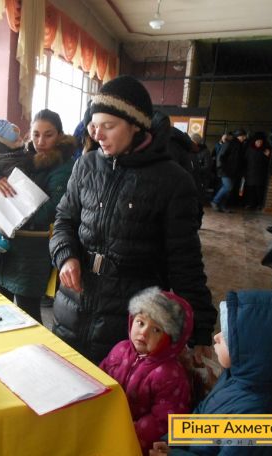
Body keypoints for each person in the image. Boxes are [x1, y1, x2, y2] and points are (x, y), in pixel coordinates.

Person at [49, 75, 216, 365]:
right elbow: (64, 220)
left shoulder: (173, 181)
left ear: (136, 125)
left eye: (109, 126)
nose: (98, 135)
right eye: (94, 126)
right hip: (72, 308)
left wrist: (200, 329)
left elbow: (184, 262)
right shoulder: (86, 165)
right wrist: (66, 256)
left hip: (130, 323)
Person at [150, 289, 272, 456]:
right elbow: (204, 413)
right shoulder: (239, 376)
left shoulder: (260, 424)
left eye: (228, 337)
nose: (216, 337)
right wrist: (173, 439)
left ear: (256, 354)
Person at [0, 109, 75, 323]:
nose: (41, 141)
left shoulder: (64, 167)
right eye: (36, 134)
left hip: (33, 251)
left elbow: (52, 210)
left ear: (59, 135)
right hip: (7, 246)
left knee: (27, 314)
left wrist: (9, 208)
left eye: (48, 135)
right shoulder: (22, 155)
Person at [99, 287, 193, 454]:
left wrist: (128, 432)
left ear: (171, 340)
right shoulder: (120, 349)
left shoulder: (170, 376)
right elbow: (101, 376)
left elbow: (163, 421)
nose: (143, 332)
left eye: (156, 329)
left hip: (132, 441)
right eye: (140, 323)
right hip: (105, 421)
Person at [0, 114, 33, 252]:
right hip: (8, 197)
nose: (20, 139)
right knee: (9, 216)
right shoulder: (15, 159)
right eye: (16, 139)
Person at [211, 129, 246, 213]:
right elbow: (220, 156)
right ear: (239, 136)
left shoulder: (240, 145)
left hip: (233, 172)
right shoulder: (229, 143)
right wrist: (221, 168)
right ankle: (215, 201)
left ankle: (223, 205)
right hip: (225, 171)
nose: (244, 138)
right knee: (228, 187)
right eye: (243, 136)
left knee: (229, 190)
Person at [243, 131, 271, 210]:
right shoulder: (249, 149)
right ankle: (250, 204)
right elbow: (245, 161)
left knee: (259, 190)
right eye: (258, 141)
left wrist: (268, 156)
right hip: (250, 173)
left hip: (260, 174)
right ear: (254, 141)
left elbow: (269, 163)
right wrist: (244, 172)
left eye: (261, 142)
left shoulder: (265, 150)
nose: (259, 143)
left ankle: (259, 204)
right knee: (250, 189)